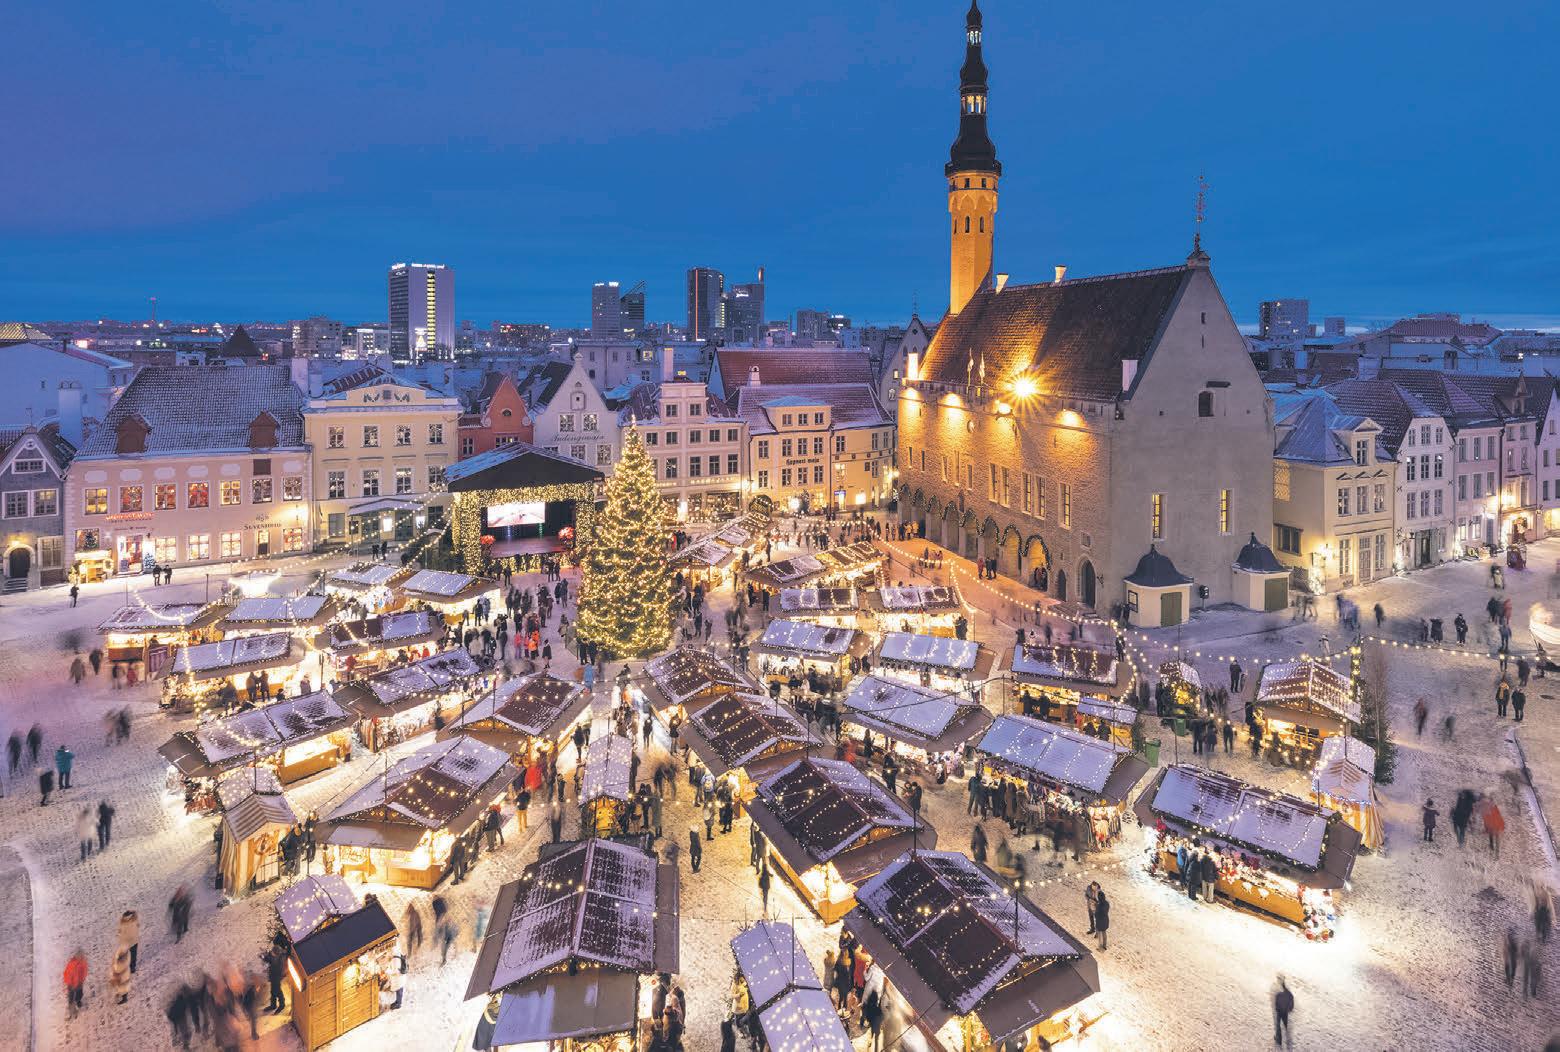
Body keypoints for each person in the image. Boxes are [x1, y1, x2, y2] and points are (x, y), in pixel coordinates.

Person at [63, 949, 87, 1017]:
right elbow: (66, 973)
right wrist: (68, 982)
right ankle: (71, 1011)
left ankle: (78, 1002)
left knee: (79, 994)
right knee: (71, 997)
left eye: (81, 956)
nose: (80, 957)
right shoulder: (71, 963)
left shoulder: (83, 963)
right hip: (71, 984)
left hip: (79, 982)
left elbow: (84, 972)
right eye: (79, 956)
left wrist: (82, 980)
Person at [264, 945, 287, 1012]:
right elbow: (271, 959)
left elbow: (273, 962)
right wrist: (266, 956)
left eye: (273, 953)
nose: (272, 953)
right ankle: (273, 1005)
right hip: (274, 976)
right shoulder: (277, 956)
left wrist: (266, 957)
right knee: (273, 991)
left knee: (277, 991)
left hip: (277, 976)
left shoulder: (280, 959)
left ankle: (282, 1004)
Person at [1273, 977, 1295, 1048]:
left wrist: (1277, 1008)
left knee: (1278, 1025)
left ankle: (1279, 1040)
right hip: (1285, 1012)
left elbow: (1276, 1002)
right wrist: (1289, 1009)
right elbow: (1291, 1005)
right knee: (1285, 1025)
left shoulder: (1279, 994)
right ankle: (1287, 1040)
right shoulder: (1290, 995)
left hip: (1280, 1011)